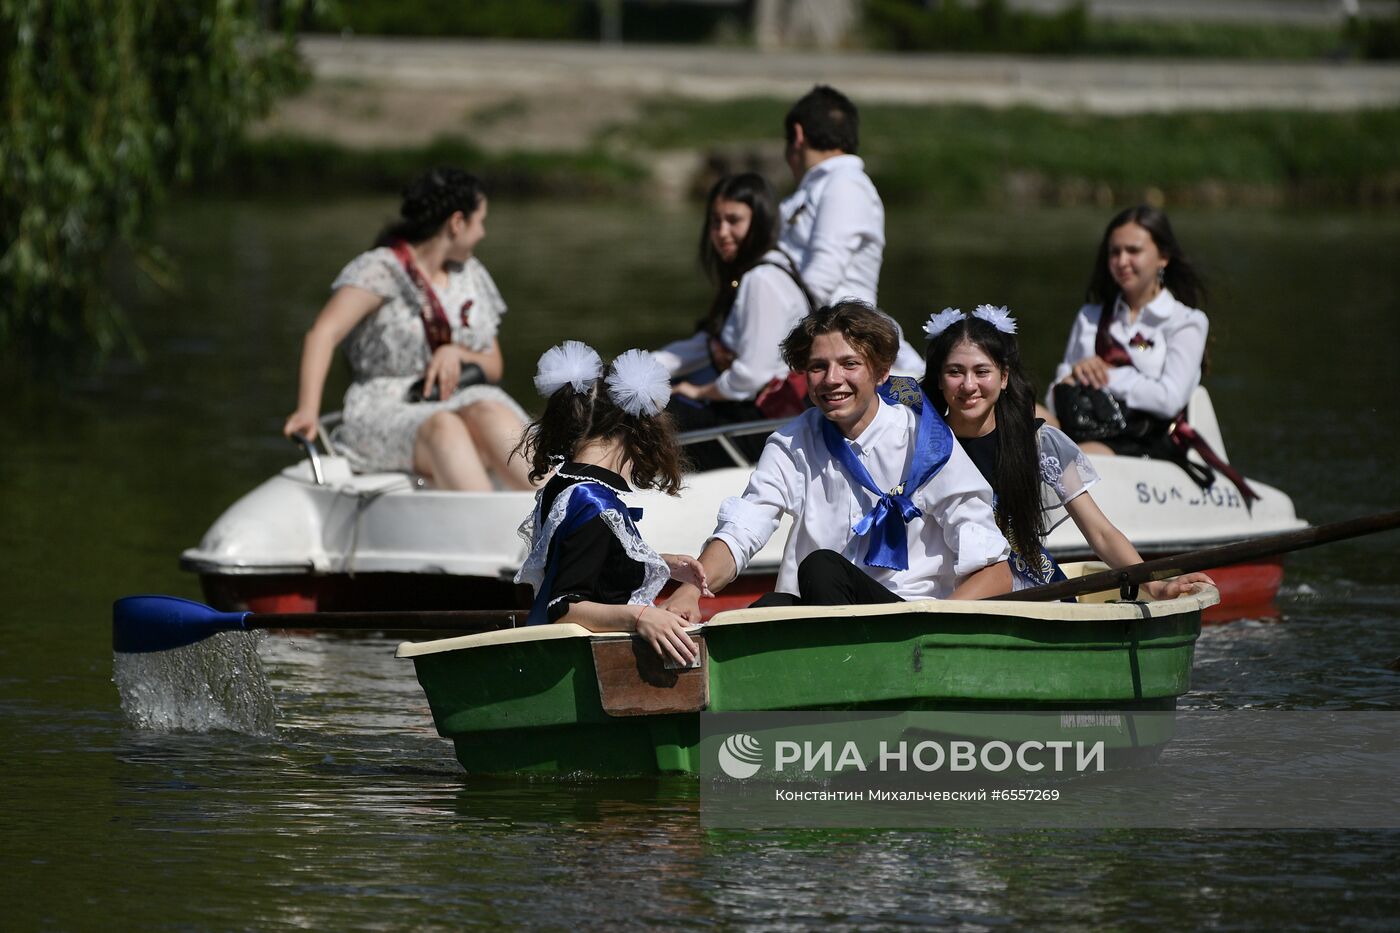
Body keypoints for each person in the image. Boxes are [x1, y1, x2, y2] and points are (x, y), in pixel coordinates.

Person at [663, 300, 1010, 617]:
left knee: (820, 568)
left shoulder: (926, 442)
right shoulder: (791, 442)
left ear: (881, 371)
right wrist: (690, 590)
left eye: (849, 364)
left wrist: (936, 627)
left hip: (908, 623)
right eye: (818, 367)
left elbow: (996, 571)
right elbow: (743, 529)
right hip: (823, 609)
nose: (832, 380)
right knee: (767, 607)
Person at [927, 304, 1213, 599]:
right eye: (955, 372)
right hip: (938, 588)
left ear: (1004, 377)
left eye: (982, 371)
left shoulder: (1039, 443)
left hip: (1023, 590)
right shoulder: (920, 441)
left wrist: (1155, 584)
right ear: (939, 378)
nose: (969, 385)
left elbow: (1100, 532)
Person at [283, 167, 533, 491]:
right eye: (480, 221)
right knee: (445, 426)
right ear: (457, 223)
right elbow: (322, 334)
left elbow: (493, 365)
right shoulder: (381, 270)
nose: (483, 233)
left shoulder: (470, 274)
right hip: (385, 408)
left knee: (489, 410)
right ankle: (486, 532)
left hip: (458, 398)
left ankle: (563, 517)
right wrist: (307, 410)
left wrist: (455, 353)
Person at [514, 341, 710, 666]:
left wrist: (656, 561)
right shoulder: (594, 503)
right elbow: (564, 609)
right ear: (633, 428)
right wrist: (642, 617)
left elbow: (581, 561)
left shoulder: (565, 485)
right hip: (584, 666)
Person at [653, 173, 814, 468]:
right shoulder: (762, 272)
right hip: (757, 417)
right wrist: (638, 371)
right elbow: (704, 346)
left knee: (659, 411)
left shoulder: (762, 279)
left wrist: (699, 392)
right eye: (715, 222)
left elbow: (752, 374)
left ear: (760, 220)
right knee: (653, 396)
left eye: (733, 220)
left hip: (764, 428)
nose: (722, 232)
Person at [779, 84, 925, 377]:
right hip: (816, 340)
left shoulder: (844, 184)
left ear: (797, 135)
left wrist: (769, 341)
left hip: (845, 345)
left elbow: (818, 281)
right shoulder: (821, 187)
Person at [1046, 204, 1208, 459]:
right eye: (1114, 252)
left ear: (1163, 257)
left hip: (1145, 441)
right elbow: (1056, 394)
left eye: (1133, 251)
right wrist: (1076, 374)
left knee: (1081, 457)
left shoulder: (1186, 322)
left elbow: (1169, 399)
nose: (1122, 261)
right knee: (1021, 415)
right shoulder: (1090, 316)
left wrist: (1108, 377)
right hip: (1083, 426)